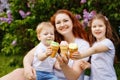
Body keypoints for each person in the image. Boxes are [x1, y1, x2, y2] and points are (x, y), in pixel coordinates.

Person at [0, 9, 90, 80]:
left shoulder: (82, 45)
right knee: (19, 72)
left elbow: (73, 77)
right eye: (58, 22)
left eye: (65, 20)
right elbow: (29, 56)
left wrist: (63, 65)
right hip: (43, 76)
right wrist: (27, 68)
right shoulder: (51, 40)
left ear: (72, 22)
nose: (62, 24)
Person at [71, 13, 117, 80]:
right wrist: (90, 66)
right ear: (91, 29)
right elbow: (100, 64)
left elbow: (94, 50)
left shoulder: (107, 43)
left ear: (106, 27)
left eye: (100, 26)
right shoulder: (94, 44)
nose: (97, 29)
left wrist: (80, 55)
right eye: (94, 26)